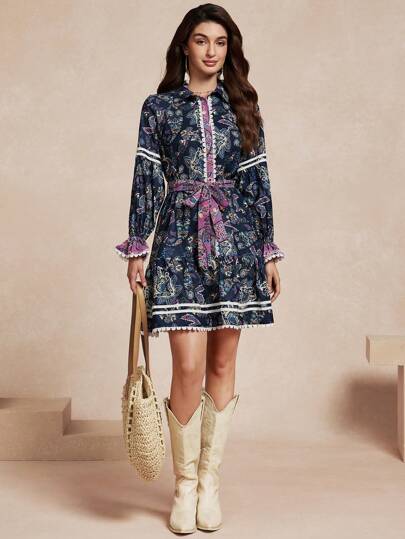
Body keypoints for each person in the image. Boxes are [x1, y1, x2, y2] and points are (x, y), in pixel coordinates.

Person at [114, 3, 285, 534]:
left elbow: (257, 182)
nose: (211, 51)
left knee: (223, 364)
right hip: (177, 245)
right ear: (184, 46)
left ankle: (210, 483)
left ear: (229, 50)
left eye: (221, 42)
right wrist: (137, 248)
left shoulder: (244, 107)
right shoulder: (159, 108)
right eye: (201, 40)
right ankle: (183, 485)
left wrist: (268, 251)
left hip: (235, 244)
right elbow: (146, 178)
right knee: (186, 367)